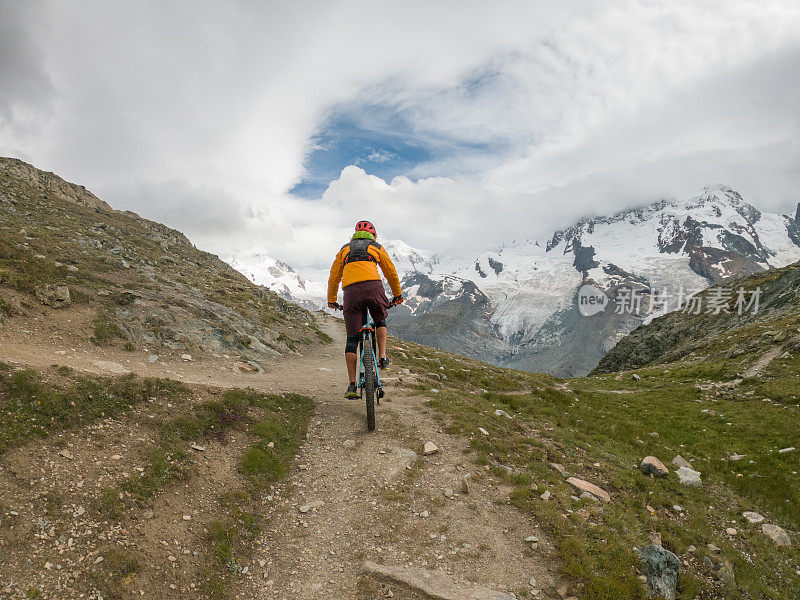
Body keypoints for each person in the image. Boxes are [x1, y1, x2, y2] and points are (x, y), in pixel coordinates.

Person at [328, 220, 403, 398]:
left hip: (351, 292)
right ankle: (383, 358)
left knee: (352, 338)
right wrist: (397, 295)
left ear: (353, 236)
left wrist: (332, 300)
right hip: (373, 288)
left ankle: (352, 385)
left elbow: (334, 277)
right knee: (379, 319)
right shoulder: (376, 247)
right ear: (373, 236)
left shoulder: (344, 250)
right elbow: (390, 272)